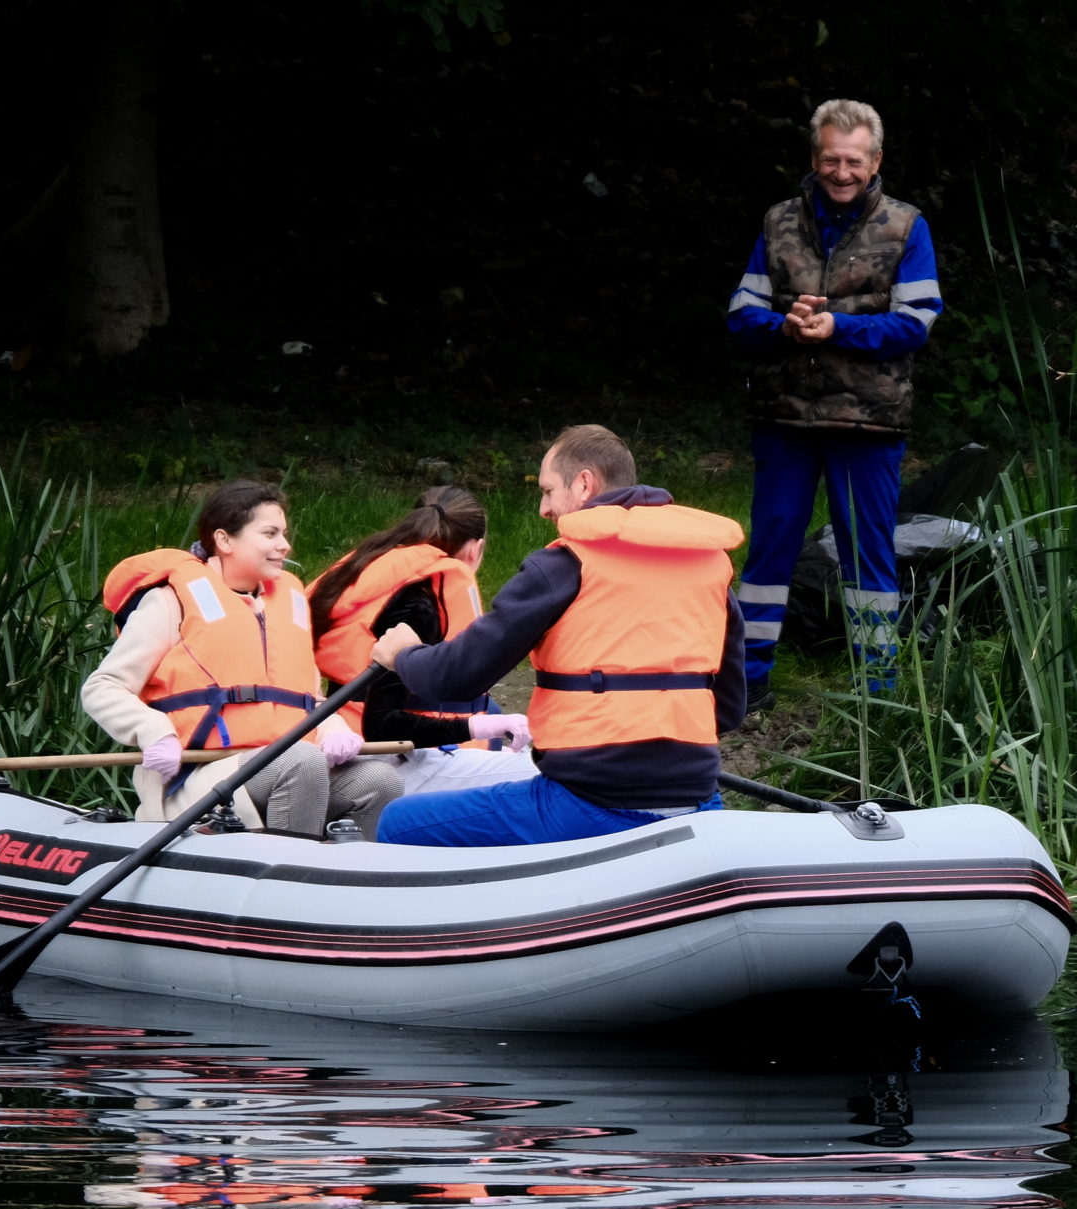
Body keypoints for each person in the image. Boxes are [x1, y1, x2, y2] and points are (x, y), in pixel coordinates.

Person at [367, 425, 747, 848]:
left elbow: (456, 677)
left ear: (584, 484)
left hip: (591, 801)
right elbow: (728, 709)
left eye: (548, 490)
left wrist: (403, 655)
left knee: (397, 822)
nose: (544, 509)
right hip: (696, 797)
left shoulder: (564, 565)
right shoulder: (710, 566)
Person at [726, 96, 943, 705]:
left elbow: (918, 321)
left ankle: (878, 689)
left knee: (868, 560)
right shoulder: (778, 222)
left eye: (853, 161)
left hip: (868, 423)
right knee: (769, 552)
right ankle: (749, 684)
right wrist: (785, 327)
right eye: (830, 161)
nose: (841, 173)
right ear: (814, 159)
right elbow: (742, 314)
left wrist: (838, 329)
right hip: (784, 417)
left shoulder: (907, 226)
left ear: (875, 162)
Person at [83, 480, 400, 839]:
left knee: (380, 780)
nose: (285, 545)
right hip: (198, 776)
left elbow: (309, 698)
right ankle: (287, 881)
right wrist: (154, 733)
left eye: (283, 533)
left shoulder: (288, 603)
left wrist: (331, 725)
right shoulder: (171, 600)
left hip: (284, 764)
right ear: (224, 540)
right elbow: (102, 687)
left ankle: (346, 879)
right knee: (300, 762)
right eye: (269, 533)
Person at [308, 484, 537, 797]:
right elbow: (383, 726)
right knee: (542, 773)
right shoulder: (419, 609)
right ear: (476, 550)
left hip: (361, 745)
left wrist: (492, 718)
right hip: (386, 762)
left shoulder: (371, 580)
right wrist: (475, 727)